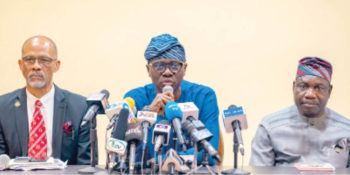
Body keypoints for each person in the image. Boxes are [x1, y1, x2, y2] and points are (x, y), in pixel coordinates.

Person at [124, 33, 220, 165]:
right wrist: (149, 115)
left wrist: (160, 161)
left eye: (175, 65)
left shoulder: (203, 96)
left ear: (184, 68)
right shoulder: (135, 99)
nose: (167, 72)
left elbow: (209, 154)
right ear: (148, 69)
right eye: (159, 65)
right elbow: (125, 157)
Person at [0, 35, 91, 165]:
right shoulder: (2, 108)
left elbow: (86, 166)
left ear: (56, 65)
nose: (36, 66)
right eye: (29, 60)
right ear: (21, 65)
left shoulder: (80, 107)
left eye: (44, 60)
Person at [250, 57, 350, 168]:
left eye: (319, 88)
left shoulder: (346, 130)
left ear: (329, 91)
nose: (310, 94)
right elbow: (259, 172)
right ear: (294, 87)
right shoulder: (270, 128)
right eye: (303, 86)